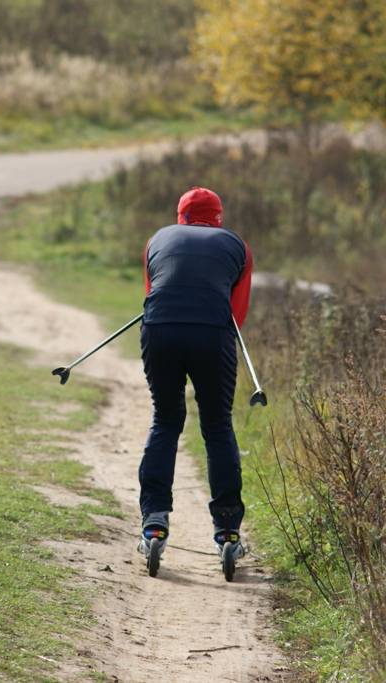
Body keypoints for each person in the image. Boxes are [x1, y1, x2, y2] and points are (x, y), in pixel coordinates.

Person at [137, 186, 253, 561]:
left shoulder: (157, 240)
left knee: (166, 419)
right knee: (217, 425)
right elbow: (236, 316)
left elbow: (152, 292)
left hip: (159, 330)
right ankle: (228, 531)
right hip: (211, 335)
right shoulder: (238, 246)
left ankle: (154, 522)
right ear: (219, 216)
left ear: (180, 216)